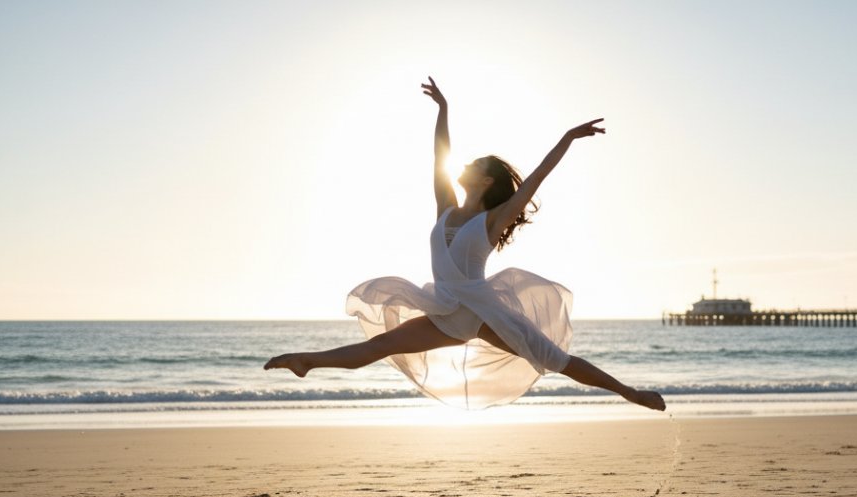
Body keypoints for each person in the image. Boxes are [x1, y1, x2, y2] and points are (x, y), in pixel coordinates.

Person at [265, 77, 665, 412]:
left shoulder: (491, 220)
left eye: (473, 166)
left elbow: (535, 180)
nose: (464, 167)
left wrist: (568, 138)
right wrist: (443, 110)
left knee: (554, 359)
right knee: (381, 345)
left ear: (486, 181)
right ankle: (306, 362)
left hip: (481, 310)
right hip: (443, 310)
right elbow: (440, 156)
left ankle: (631, 393)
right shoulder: (445, 209)